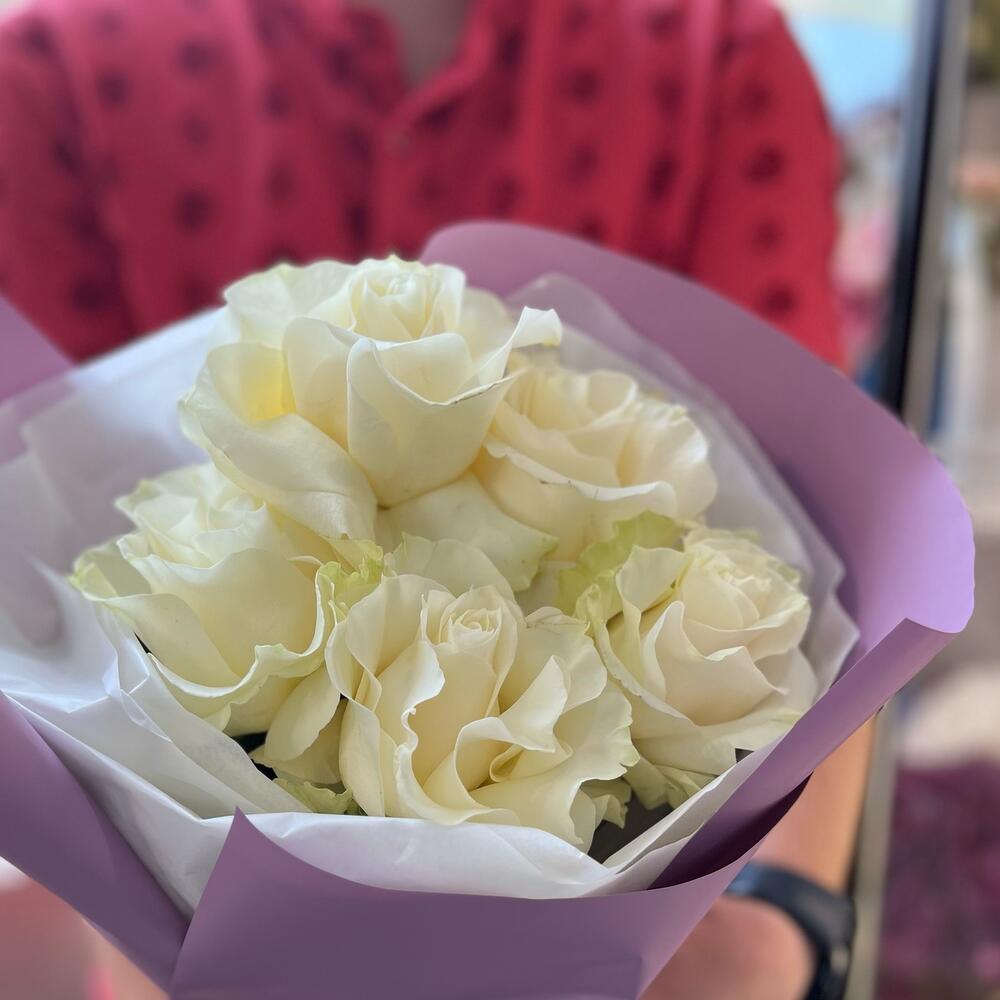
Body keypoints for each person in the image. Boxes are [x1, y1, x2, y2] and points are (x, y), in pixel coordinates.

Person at [0, 1, 873, 997]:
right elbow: (48, 565)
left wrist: (782, 929)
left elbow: (823, 559)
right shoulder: (59, 70)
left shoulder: (716, 55)